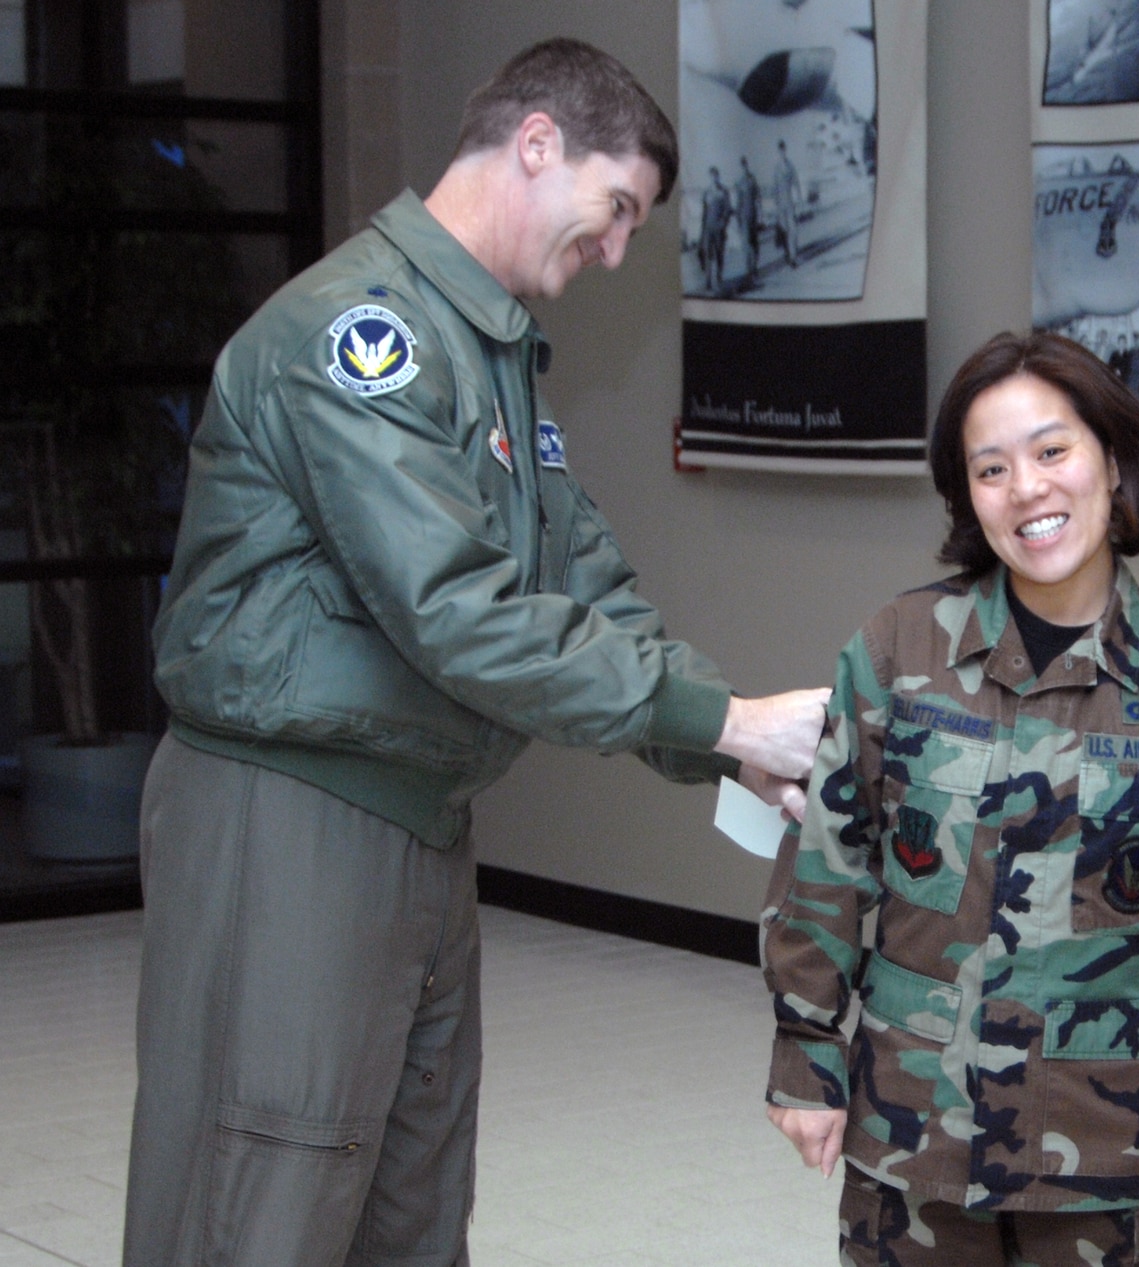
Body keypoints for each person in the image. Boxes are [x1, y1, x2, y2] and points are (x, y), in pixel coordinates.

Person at [127, 38, 829, 1266]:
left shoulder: (489, 356)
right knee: (268, 1191)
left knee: (410, 1201)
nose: (616, 254)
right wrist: (724, 723)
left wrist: (731, 746)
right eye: (616, 211)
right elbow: (458, 610)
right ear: (537, 143)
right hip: (291, 818)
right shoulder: (357, 337)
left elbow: (587, 587)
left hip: (421, 824)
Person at [761, 330, 1139, 1266]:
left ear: (1112, 462)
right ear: (968, 497)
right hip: (917, 1151)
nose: (1027, 489)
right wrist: (806, 1052)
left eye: (1051, 451)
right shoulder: (898, 653)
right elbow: (828, 864)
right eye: (990, 468)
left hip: (1109, 1166)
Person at [699, 164, 732, 292]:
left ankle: (718, 278)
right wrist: (702, 232)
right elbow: (704, 213)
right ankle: (708, 281)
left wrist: (723, 223)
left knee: (719, 254)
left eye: (716, 176)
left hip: (719, 229)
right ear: (710, 177)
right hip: (708, 228)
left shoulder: (723, 192)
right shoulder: (706, 193)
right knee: (708, 254)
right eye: (712, 176)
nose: (714, 178)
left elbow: (728, 210)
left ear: (718, 177)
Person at [772, 137, 803, 267]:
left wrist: (800, 199)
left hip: (790, 203)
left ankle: (793, 257)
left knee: (793, 230)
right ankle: (788, 254)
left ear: (786, 151)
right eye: (780, 151)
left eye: (783, 150)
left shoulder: (790, 166)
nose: (782, 153)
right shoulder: (776, 168)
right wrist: (776, 205)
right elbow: (774, 188)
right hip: (781, 206)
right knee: (784, 231)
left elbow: (796, 182)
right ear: (778, 153)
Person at [735, 153, 763, 281]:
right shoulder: (739, 183)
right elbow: (738, 202)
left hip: (753, 217)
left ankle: (755, 267)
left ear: (747, 166)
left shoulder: (753, 180)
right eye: (742, 166)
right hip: (744, 218)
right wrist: (738, 220)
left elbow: (758, 198)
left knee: (755, 244)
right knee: (747, 245)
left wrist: (760, 215)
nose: (744, 168)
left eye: (745, 165)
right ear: (740, 168)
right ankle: (749, 270)